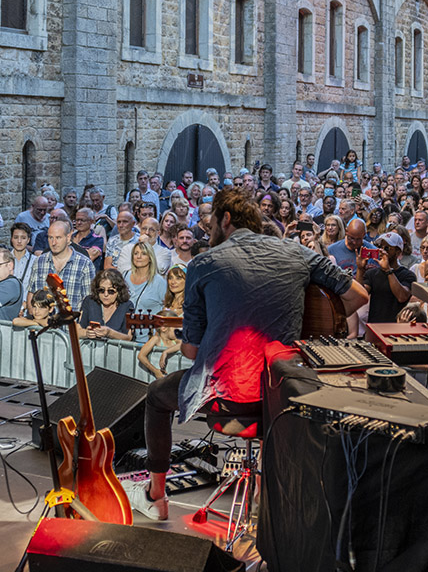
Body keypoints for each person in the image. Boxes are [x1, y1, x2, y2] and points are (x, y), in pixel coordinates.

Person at [121, 187, 368, 520]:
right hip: (286, 393)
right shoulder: (298, 253)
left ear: (225, 219)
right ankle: (266, 496)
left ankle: (156, 496)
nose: (208, 234)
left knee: (155, 395)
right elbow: (357, 296)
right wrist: (311, 325)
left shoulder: (204, 263)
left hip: (230, 399)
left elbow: (193, 351)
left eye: (210, 227)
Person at [28, 220, 96, 310]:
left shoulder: (84, 264)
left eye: (58, 238)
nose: (54, 242)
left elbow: (89, 301)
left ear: (68, 238)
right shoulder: (39, 262)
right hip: (43, 323)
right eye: (50, 238)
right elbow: (31, 294)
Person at [79, 270, 134, 341]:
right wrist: (86, 333)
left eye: (111, 291)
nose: (105, 294)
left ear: (119, 291)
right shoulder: (90, 301)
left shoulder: (127, 306)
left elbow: (129, 337)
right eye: (101, 290)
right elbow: (78, 330)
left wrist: (110, 333)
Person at [123, 241, 167, 311]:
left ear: (150, 258)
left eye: (143, 254)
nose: (139, 257)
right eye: (136, 253)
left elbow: (168, 306)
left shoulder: (159, 281)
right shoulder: (125, 276)